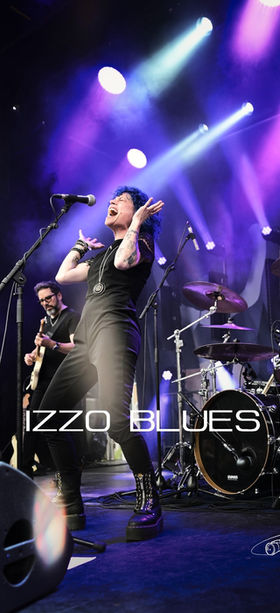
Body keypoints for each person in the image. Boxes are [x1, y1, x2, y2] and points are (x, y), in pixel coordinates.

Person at [38, 186, 164, 541]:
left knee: (116, 419)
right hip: (86, 340)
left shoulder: (142, 245)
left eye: (121, 201)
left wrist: (137, 224)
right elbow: (64, 276)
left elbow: (124, 262)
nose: (112, 203)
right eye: (112, 200)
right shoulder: (101, 256)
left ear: (138, 213)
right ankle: (71, 502)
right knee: (49, 416)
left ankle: (149, 499)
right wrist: (80, 247)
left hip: (115, 332)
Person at [22, 281, 80, 478]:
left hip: (61, 378)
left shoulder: (72, 317)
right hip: (43, 378)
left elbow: (78, 347)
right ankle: (25, 469)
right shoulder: (46, 321)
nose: (45, 303)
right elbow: (40, 348)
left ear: (59, 295)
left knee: (51, 422)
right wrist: (31, 356)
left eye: (48, 298)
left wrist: (52, 344)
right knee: (32, 421)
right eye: (41, 301)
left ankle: (65, 470)